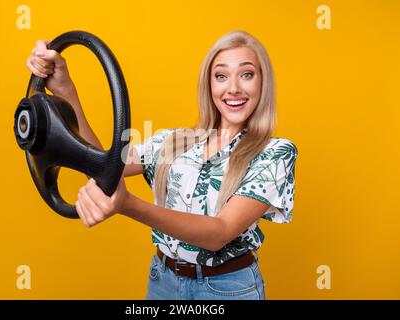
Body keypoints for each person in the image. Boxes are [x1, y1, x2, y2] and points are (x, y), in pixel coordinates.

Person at [26, 30, 298, 300]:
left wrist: (128, 204)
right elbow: (103, 164)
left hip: (229, 289)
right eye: (221, 76)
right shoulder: (173, 142)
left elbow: (219, 233)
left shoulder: (275, 153)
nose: (234, 88)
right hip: (163, 281)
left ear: (263, 83)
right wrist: (66, 91)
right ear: (209, 84)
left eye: (247, 74)